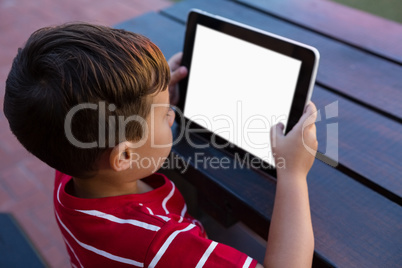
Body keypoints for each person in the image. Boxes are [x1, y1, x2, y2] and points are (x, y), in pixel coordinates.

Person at [4, 23, 317, 267]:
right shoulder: (164, 245)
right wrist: (292, 173)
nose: (172, 114)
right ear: (124, 155)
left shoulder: (71, 166)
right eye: (165, 111)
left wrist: (145, 99)